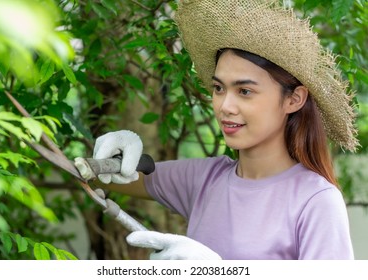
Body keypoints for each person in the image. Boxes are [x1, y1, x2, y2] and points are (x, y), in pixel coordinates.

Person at [75, 0, 358, 260]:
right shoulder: (204, 180)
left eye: (245, 91)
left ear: (293, 99)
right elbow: (103, 177)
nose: (225, 106)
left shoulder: (315, 201)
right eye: (218, 88)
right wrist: (112, 154)